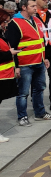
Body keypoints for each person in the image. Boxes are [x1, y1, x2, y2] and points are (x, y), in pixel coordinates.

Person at [5, 0, 51, 125]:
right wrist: (16, 66)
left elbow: (41, 42)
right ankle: (22, 117)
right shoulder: (15, 23)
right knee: (22, 93)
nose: (36, 8)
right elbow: (12, 47)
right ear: (24, 7)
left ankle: (40, 113)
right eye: (33, 6)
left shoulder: (36, 20)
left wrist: (44, 58)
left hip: (38, 62)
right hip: (24, 64)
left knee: (39, 89)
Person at [0, 8, 20, 142]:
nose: (7, 23)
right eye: (5, 21)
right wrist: (9, 53)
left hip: (4, 75)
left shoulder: (2, 33)